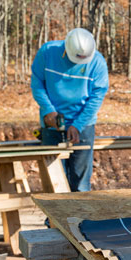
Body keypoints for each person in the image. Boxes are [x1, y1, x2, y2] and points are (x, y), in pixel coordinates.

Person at [31, 28, 109, 192]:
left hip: (83, 124)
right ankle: (53, 218)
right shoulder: (47, 52)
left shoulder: (98, 63)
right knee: (54, 182)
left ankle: (82, 217)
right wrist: (48, 110)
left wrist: (78, 125)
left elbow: (96, 98)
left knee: (80, 182)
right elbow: (37, 82)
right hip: (52, 124)